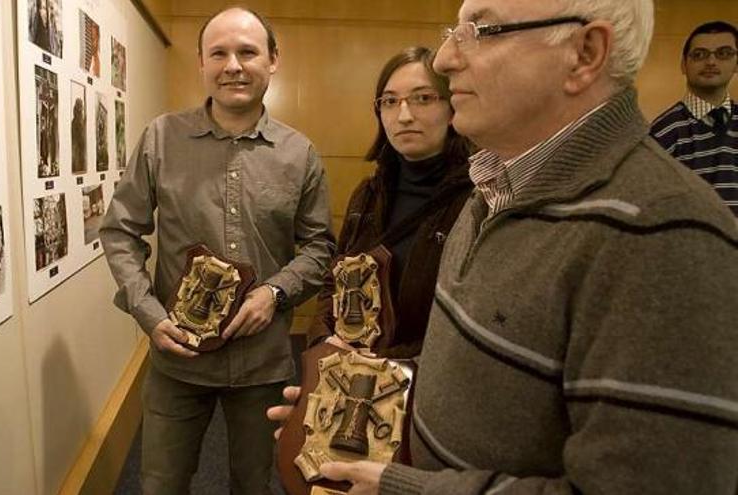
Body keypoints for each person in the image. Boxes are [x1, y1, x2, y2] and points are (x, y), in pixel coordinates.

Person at [270, 1, 738, 494]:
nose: (448, 58)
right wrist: (344, 405)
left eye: (482, 31)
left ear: (585, 53)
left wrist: (409, 489)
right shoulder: (492, 189)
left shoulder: (666, 235)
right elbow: (478, 379)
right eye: (455, 31)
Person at [99, 7, 335, 495]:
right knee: (161, 483)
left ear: (272, 60)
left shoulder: (300, 154)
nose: (233, 65)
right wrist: (147, 312)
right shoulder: (161, 139)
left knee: (254, 484)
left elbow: (318, 248)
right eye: (219, 53)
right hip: (176, 359)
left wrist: (274, 292)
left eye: (247, 52)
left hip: (262, 363)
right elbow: (121, 231)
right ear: (201, 64)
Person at [306, 46, 473, 358]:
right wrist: (322, 341)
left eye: (423, 98)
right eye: (390, 101)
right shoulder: (368, 194)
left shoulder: (478, 201)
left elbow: (473, 321)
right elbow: (335, 281)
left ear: (452, 107)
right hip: (352, 377)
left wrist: (386, 365)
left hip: (428, 387)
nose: (404, 115)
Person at [650, 21, 737, 215]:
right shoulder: (664, 131)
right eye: (699, 55)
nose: (711, 62)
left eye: (723, 53)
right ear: (683, 64)